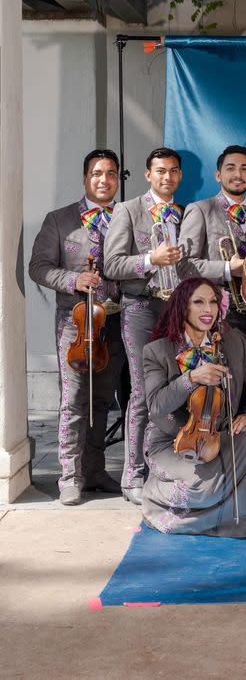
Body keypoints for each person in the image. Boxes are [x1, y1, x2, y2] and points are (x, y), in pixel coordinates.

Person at [142, 277, 246, 537]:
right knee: (201, 488)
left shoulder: (233, 343)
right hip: (171, 441)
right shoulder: (157, 351)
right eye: (199, 302)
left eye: (213, 302)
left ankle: (244, 521)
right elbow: (156, 407)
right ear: (182, 308)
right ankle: (154, 495)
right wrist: (190, 378)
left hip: (217, 438)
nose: (208, 310)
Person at [28, 149, 125, 505]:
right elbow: (38, 267)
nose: (104, 180)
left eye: (111, 174)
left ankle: (96, 469)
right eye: (97, 173)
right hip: (76, 324)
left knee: (103, 400)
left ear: (118, 179)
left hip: (115, 321)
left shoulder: (126, 216)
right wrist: (73, 278)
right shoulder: (59, 219)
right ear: (85, 178)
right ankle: (70, 475)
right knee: (73, 400)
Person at [103, 147, 184, 505]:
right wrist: (151, 258)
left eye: (174, 171)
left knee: (174, 390)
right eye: (160, 171)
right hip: (141, 308)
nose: (167, 177)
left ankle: (161, 468)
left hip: (177, 311)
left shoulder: (185, 213)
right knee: (141, 392)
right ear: (149, 175)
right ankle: (132, 475)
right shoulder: (128, 209)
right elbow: (112, 265)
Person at [178, 145, 246, 350]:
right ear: (218, 175)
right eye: (230, 168)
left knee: (245, 378)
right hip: (214, 313)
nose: (238, 174)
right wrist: (228, 269)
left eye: (244, 169)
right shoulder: (200, 209)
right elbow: (184, 266)